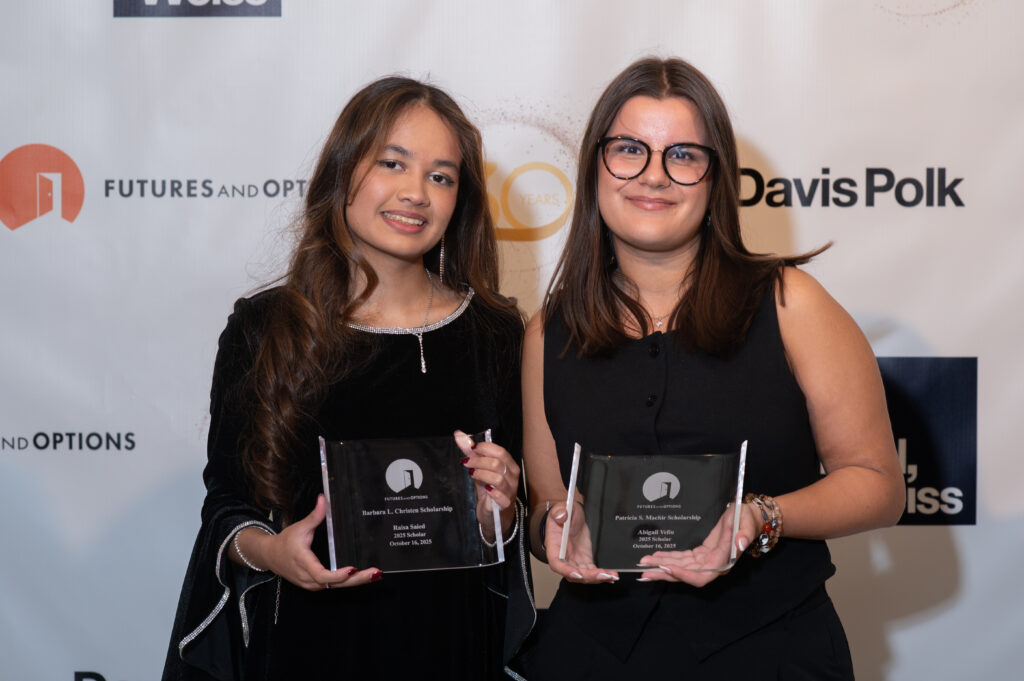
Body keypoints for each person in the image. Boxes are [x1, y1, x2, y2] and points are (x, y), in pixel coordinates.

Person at [516, 57, 905, 679]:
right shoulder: (547, 331)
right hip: (590, 655)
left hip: (768, 652)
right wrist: (555, 529)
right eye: (629, 149)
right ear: (595, 166)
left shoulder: (790, 303)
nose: (653, 175)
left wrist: (761, 516)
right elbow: (547, 506)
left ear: (715, 177)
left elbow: (878, 484)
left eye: (683, 155)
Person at [162, 76, 534, 681]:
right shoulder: (265, 328)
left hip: (453, 642)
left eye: (441, 177)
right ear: (343, 169)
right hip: (308, 644)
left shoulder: (495, 333)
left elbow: (506, 519)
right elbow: (228, 504)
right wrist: (273, 552)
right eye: (393, 163)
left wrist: (504, 512)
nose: (416, 193)